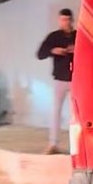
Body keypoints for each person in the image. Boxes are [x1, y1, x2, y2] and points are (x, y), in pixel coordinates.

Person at [36, 8, 76, 154]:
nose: (65, 23)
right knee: (55, 111)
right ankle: (53, 143)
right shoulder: (53, 36)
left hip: (76, 79)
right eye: (62, 20)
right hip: (60, 79)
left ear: (72, 20)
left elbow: (92, 51)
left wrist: (76, 49)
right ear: (59, 20)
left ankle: (76, 146)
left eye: (67, 20)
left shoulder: (78, 35)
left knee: (77, 114)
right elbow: (40, 54)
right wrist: (53, 51)